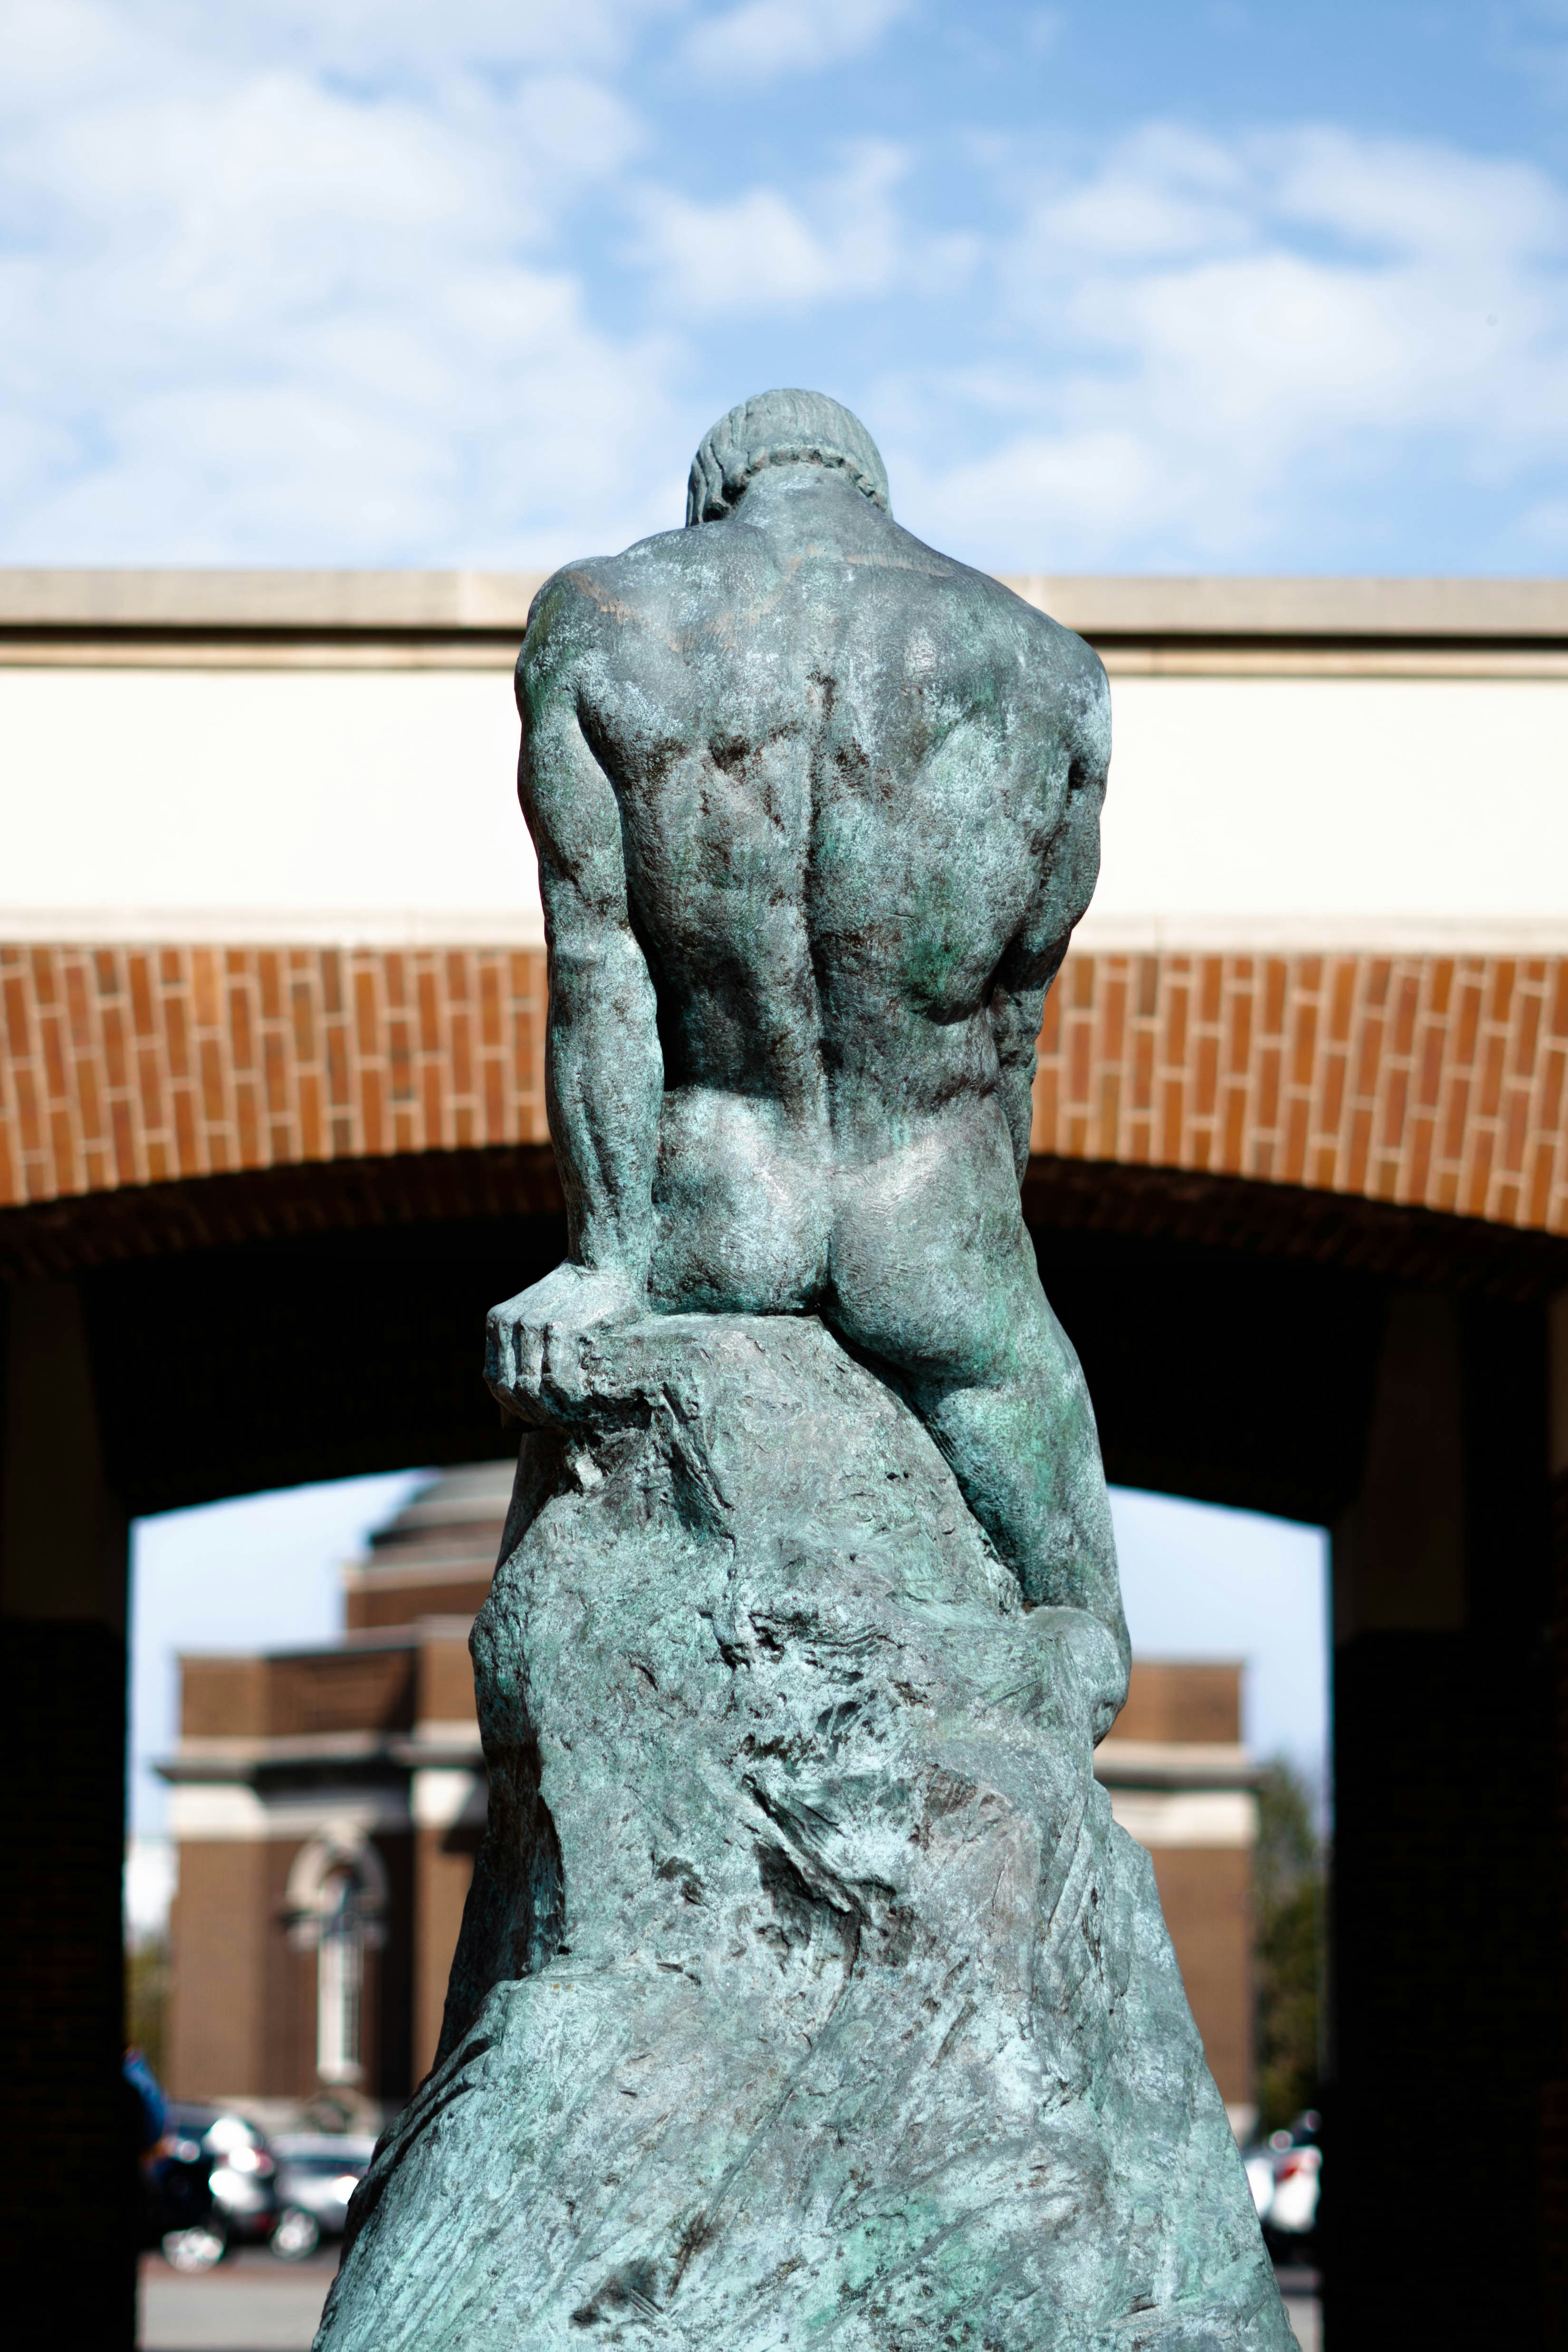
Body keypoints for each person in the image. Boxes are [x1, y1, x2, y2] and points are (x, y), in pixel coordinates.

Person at [487, 389, 1128, 1733]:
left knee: (548, 1621)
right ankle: (1074, 1671)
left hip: (713, 1214)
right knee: (1079, 1621)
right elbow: (1012, 1019)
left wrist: (605, 1264)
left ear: (713, 492)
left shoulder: (602, 617)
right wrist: (980, 1229)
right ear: (867, 488)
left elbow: (598, 963)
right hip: (934, 1228)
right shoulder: (1051, 670)